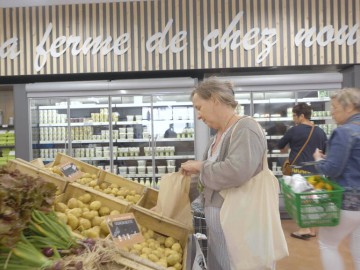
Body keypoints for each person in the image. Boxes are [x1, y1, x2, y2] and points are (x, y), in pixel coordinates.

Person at [180, 77, 284, 270]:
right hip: (223, 229)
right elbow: (208, 180)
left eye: (199, 107)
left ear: (214, 100)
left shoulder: (245, 128)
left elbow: (236, 171)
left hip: (242, 225)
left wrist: (201, 166)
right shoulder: (217, 137)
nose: (198, 116)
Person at [312, 87, 360, 270]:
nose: (332, 112)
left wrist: (318, 160)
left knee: (328, 244)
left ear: (348, 108)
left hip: (348, 201)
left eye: (334, 107)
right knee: (358, 248)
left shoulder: (344, 132)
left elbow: (332, 169)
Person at [278, 103, 327, 240]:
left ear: (302, 116)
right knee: (312, 200)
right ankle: (312, 230)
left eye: (294, 115)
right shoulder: (320, 132)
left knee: (300, 200)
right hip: (316, 172)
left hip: (299, 172)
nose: (294, 118)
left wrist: (289, 149)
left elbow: (281, 146)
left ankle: (304, 229)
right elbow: (324, 152)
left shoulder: (294, 130)